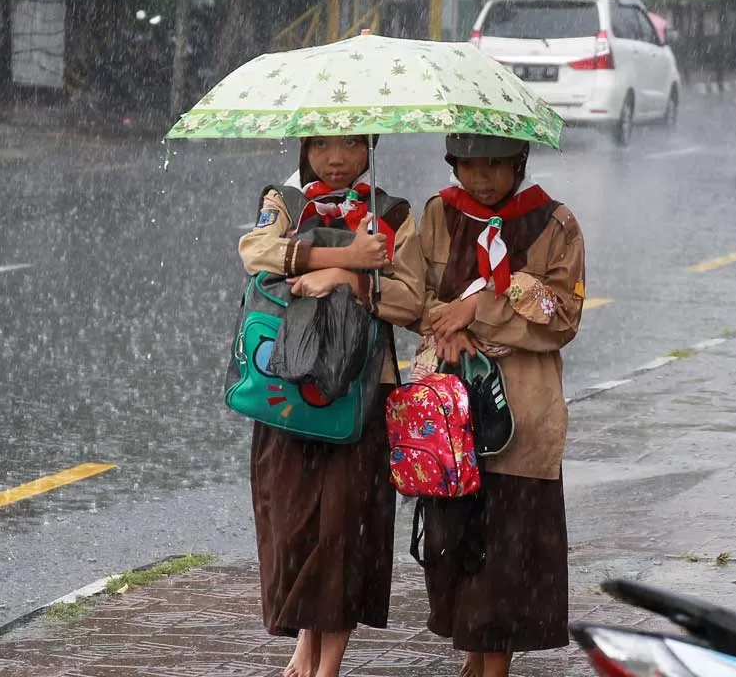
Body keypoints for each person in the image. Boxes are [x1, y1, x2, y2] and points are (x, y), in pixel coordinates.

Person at [237, 134, 424, 677]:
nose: (335, 158)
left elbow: (412, 298)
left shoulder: (391, 214)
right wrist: (343, 255)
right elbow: (256, 254)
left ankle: (329, 664)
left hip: (362, 391)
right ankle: (304, 641)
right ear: (304, 147)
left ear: (371, 146)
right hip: (289, 388)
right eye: (321, 144)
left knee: (345, 524)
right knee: (293, 521)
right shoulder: (285, 203)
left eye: (349, 144)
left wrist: (351, 279)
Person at [411, 133, 585, 677]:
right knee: (455, 536)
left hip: (523, 412)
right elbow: (411, 293)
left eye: (495, 165)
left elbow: (560, 318)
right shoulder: (439, 213)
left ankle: (496, 661)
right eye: (469, 165)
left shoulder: (556, 224)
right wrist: (446, 326)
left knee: (510, 543)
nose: (482, 177)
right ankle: (475, 648)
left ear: (519, 164)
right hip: (451, 410)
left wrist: (480, 310)